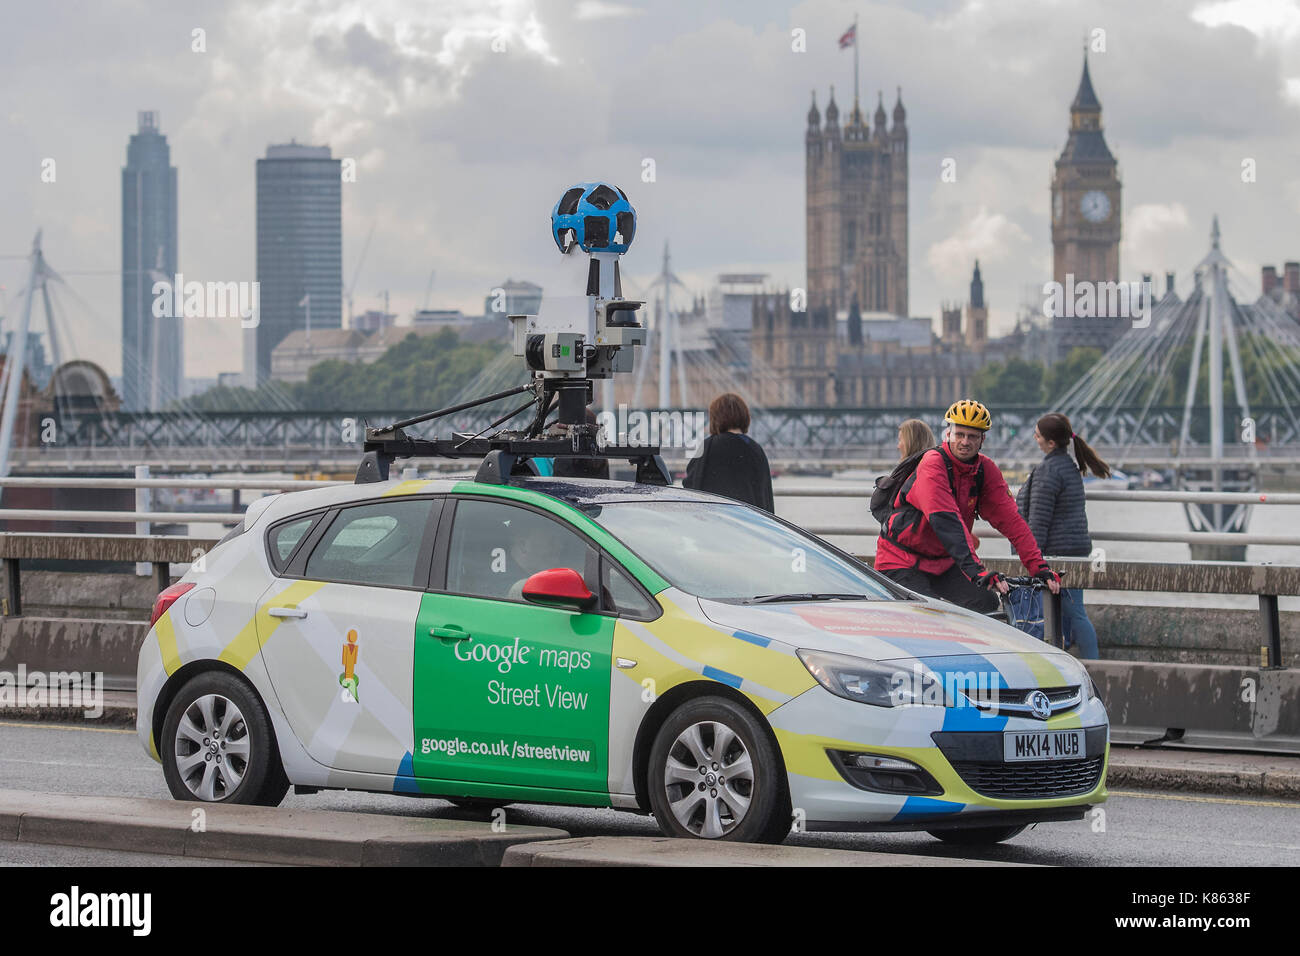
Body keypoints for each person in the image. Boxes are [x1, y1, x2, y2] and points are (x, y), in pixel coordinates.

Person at [875, 399, 1060, 614]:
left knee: (985, 602)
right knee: (930, 613)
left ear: (982, 439)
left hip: (943, 562)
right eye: (959, 434)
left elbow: (1013, 522)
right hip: (901, 560)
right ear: (948, 434)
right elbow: (946, 520)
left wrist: (1039, 567)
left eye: (972, 436)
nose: (965, 442)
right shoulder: (932, 464)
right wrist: (977, 572)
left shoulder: (984, 470)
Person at [1016, 413, 1106, 658]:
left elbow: (1039, 519)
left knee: (1074, 613)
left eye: (1037, 435)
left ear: (1050, 443)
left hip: (1058, 554)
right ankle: (1074, 658)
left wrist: (1032, 557)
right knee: (1068, 612)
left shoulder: (1049, 470)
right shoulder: (1069, 466)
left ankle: (1093, 664)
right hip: (1075, 549)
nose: (1034, 439)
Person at [683, 392, 774, 512]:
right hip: (750, 523)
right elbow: (765, 496)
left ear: (716, 418)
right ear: (745, 416)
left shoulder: (709, 446)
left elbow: (691, 484)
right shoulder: (756, 449)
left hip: (718, 521)